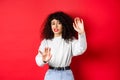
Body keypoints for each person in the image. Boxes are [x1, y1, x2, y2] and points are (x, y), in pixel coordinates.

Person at [35, 11, 87, 80]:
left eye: (59, 23)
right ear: (50, 26)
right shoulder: (46, 42)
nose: (55, 26)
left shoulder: (70, 40)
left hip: (67, 75)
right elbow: (38, 62)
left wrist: (81, 34)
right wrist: (43, 60)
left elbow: (81, 49)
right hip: (51, 75)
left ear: (64, 25)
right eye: (53, 23)